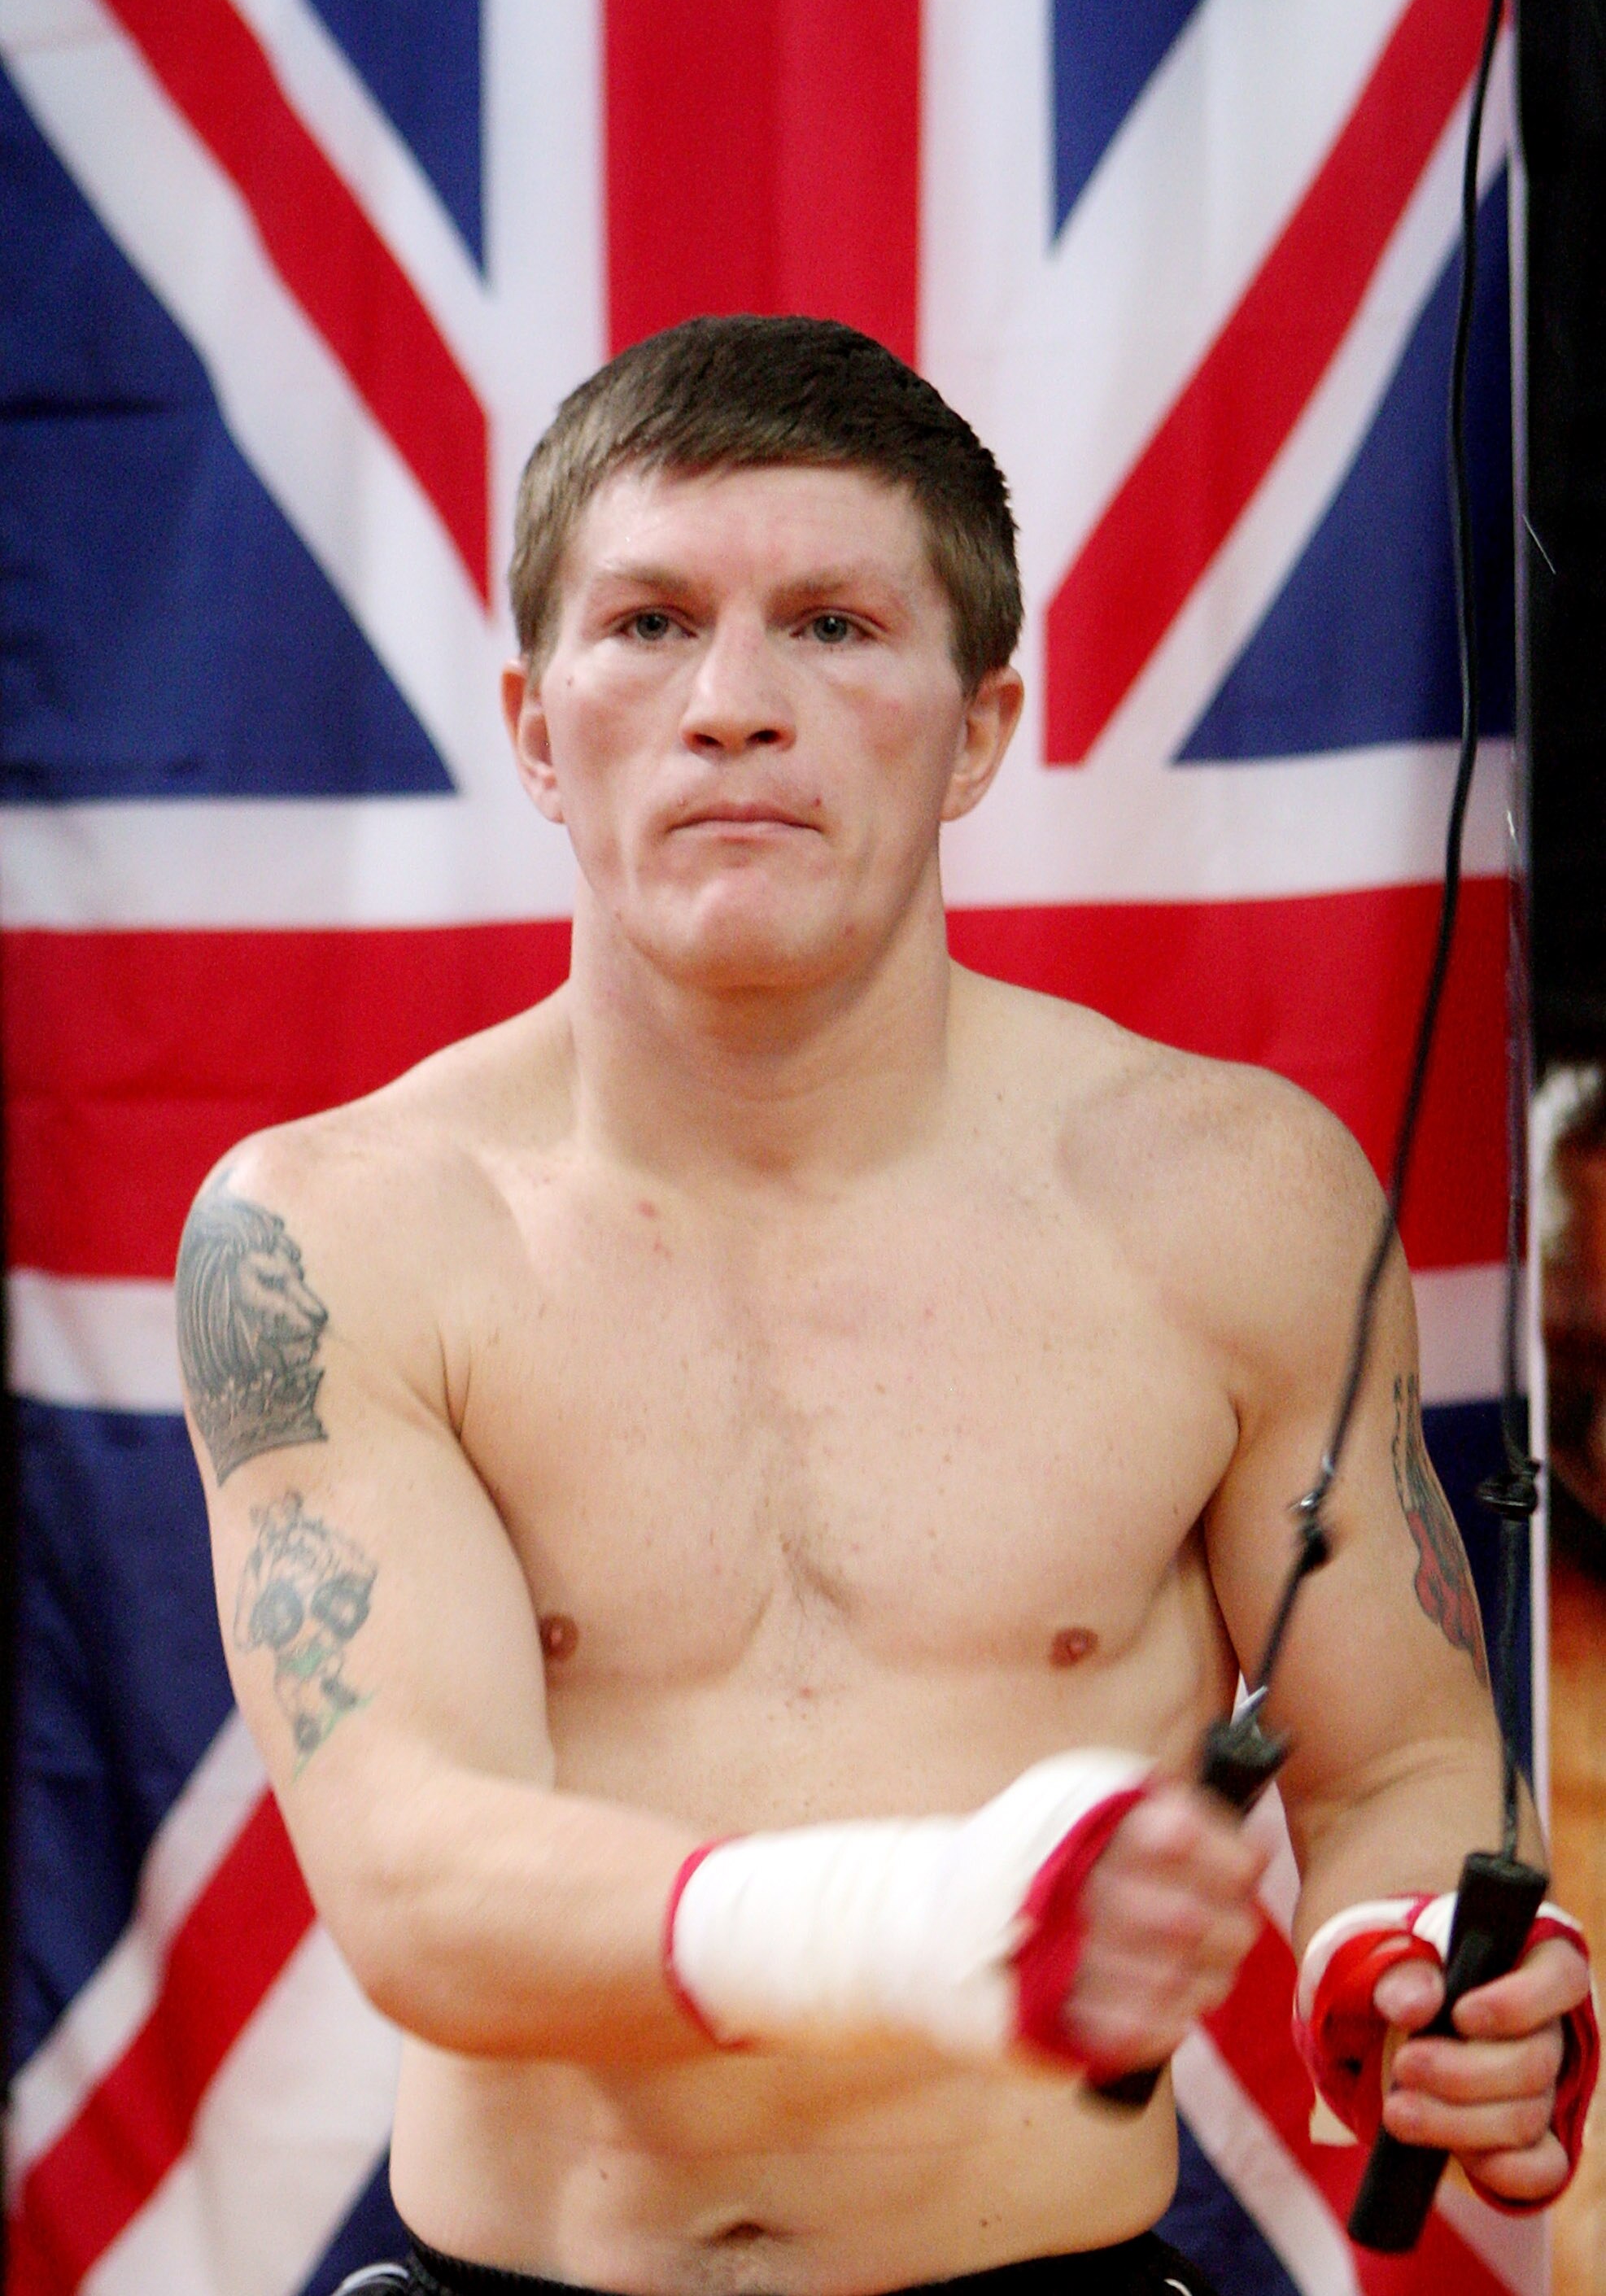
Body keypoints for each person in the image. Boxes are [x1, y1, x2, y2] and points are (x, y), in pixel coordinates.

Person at [178, 317, 1595, 2296]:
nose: (735, 706)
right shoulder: (338, 1230)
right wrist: (942, 1922)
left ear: (983, 726)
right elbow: (413, 1869)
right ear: (531, 724)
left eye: (835, 626)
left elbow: (1397, 1760)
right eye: (652, 623)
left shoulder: (1236, 1196)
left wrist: (1419, 1967)